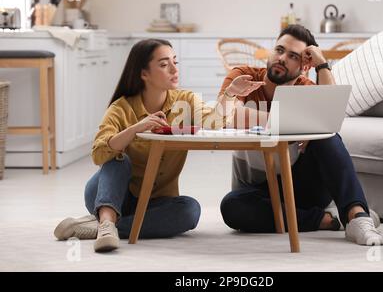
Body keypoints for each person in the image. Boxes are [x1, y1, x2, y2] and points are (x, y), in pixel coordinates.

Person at [53, 38, 249, 252]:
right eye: (164, 64)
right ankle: (107, 220)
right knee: (118, 159)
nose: (174, 69)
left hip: (156, 202)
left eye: (175, 62)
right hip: (110, 195)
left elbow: (213, 123)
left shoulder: (186, 100)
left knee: (190, 211)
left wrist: (230, 93)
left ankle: (103, 227)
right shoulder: (121, 108)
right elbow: (98, 154)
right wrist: (134, 129)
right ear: (143, 73)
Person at [217, 25, 383, 246]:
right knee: (232, 207)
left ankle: (357, 217)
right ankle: (328, 219)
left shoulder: (306, 87)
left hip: (300, 185)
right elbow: (225, 115)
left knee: (327, 135)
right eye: (279, 50)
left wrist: (322, 64)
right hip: (256, 190)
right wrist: (292, 121)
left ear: (304, 66)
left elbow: (330, 120)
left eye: (293, 56)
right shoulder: (243, 76)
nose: (282, 58)